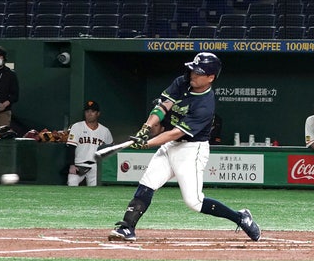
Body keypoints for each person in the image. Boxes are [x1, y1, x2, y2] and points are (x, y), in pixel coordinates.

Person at [108, 52, 261, 243]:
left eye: (198, 72)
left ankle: (241, 217)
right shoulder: (182, 82)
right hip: (171, 144)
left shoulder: (206, 105)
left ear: (211, 77)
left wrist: (146, 143)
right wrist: (146, 128)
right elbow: (163, 107)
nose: (192, 75)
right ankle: (127, 227)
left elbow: (175, 133)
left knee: (194, 202)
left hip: (191, 150)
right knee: (148, 183)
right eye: (192, 70)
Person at [66, 100, 113, 187]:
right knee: (71, 184)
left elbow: (110, 152)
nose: (89, 114)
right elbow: (71, 147)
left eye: (92, 111)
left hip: (96, 166)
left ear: (98, 113)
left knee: (95, 190)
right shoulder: (77, 127)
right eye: (87, 111)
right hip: (78, 165)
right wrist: (71, 165)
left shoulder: (105, 131)